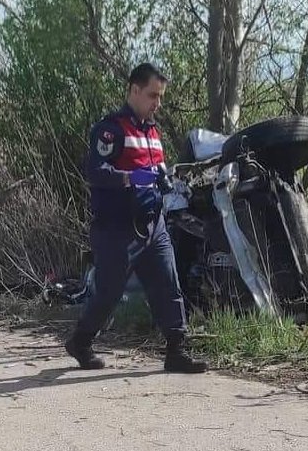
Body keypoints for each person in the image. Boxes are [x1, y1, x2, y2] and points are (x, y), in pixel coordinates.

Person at [65, 63, 207, 374]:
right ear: (134, 90)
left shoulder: (152, 132)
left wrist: (163, 179)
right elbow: (96, 173)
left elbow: (155, 169)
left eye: (160, 97)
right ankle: (81, 340)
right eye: (152, 95)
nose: (157, 103)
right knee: (109, 292)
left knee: (169, 285)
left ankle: (176, 350)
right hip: (117, 228)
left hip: (153, 225)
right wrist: (131, 177)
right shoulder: (110, 129)